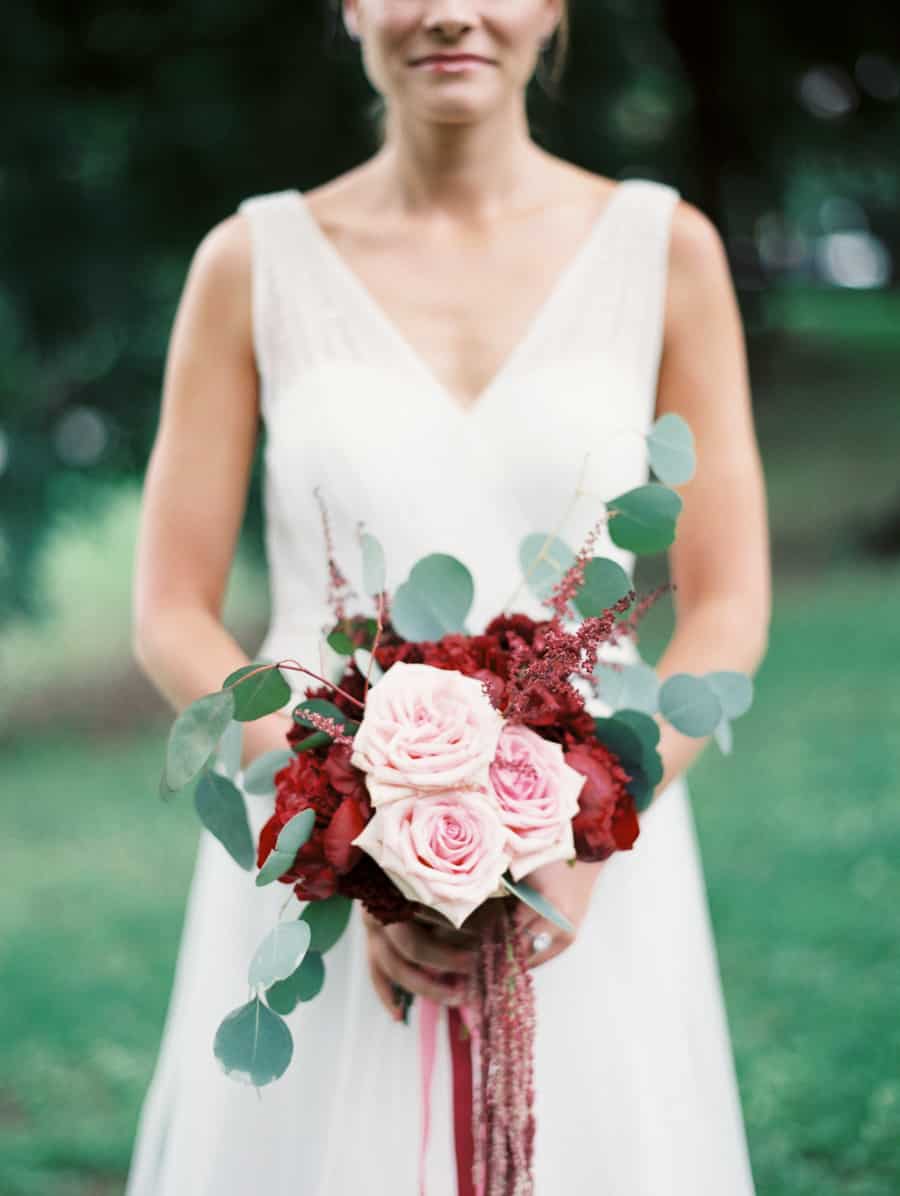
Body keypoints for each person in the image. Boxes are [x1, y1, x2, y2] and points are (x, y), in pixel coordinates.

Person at [126, 1, 771, 1192]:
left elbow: (728, 602)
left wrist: (578, 834)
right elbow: (170, 604)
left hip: (591, 874)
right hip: (317, 864)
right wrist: (360, 840)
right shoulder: (251, 261)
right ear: (354, 8)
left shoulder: (662, 249)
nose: (451, 11)